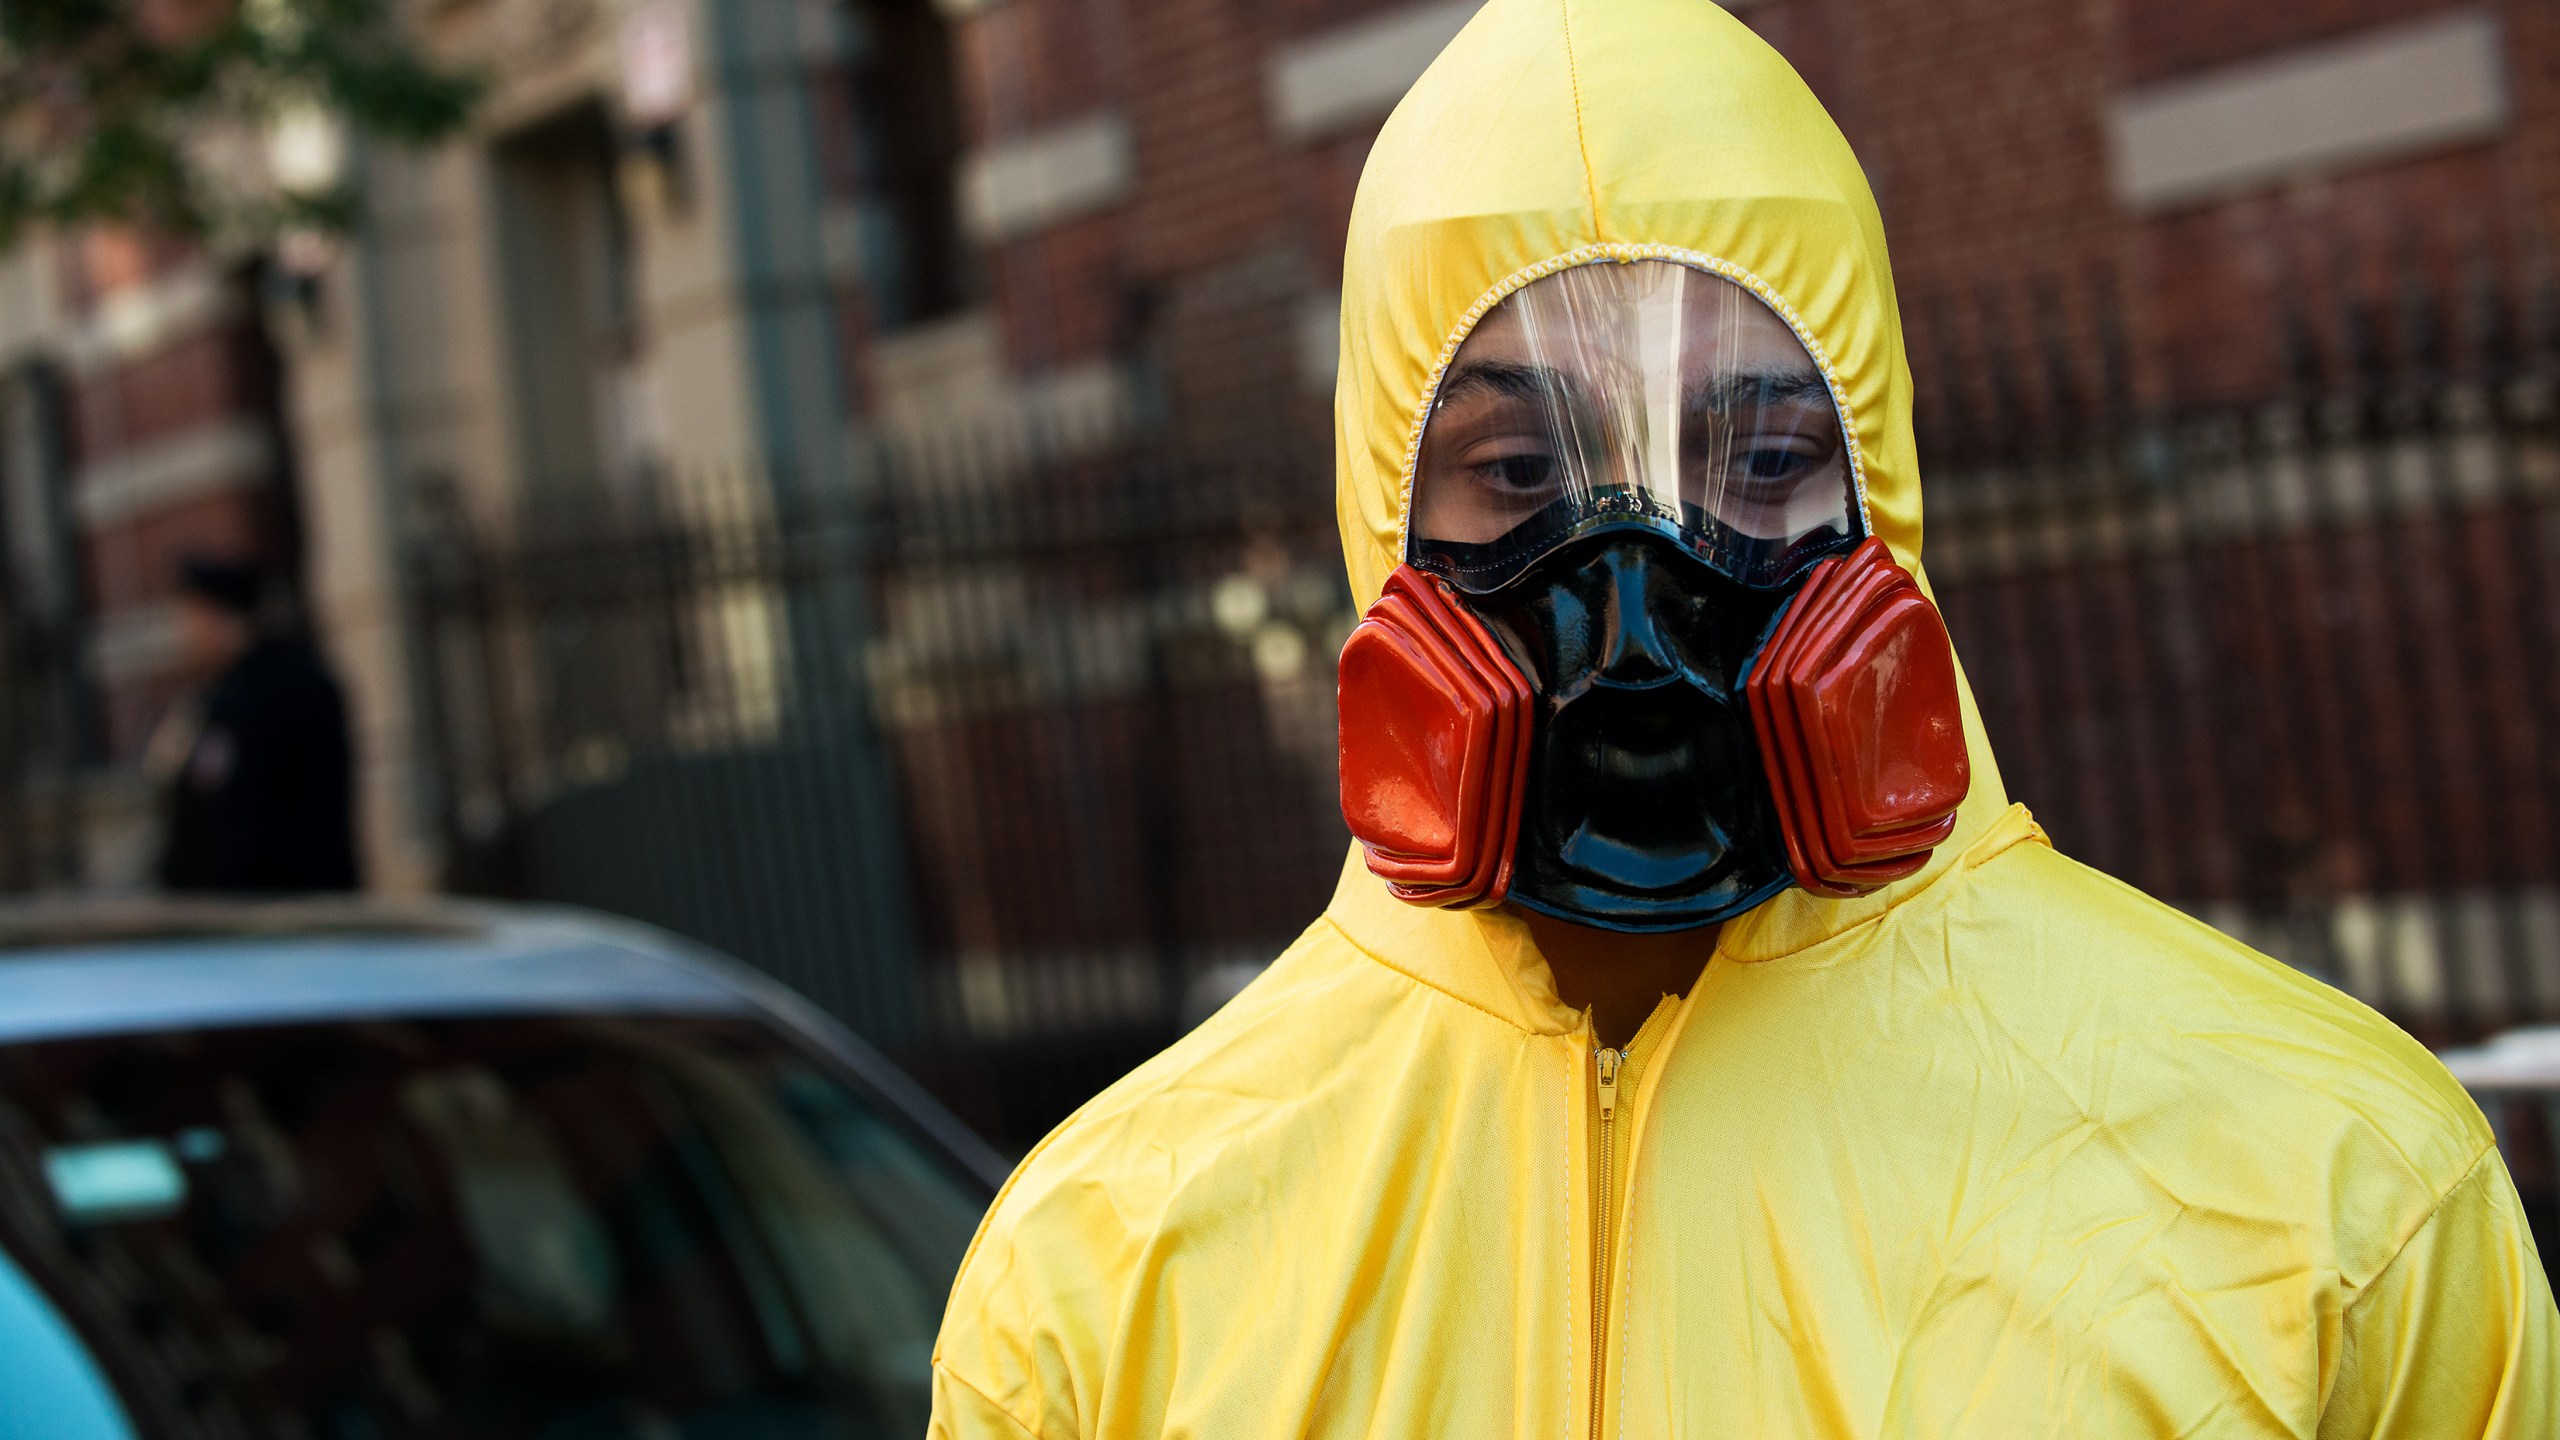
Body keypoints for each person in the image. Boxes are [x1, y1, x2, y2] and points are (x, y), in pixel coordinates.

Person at [930, 2, 2557, 1434]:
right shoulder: (1107, 1286)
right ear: (1380, 526)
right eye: (1517, 474)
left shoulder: (2331, 1203)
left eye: (1765, 460)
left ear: (1883, 503)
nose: (1640, 593)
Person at [155, 556, 359, 892]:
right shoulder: (231, 694)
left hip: (273, 917)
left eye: (191, 618)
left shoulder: (260, 698)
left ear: (218, 617)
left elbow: (239, 822)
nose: (184, 633)